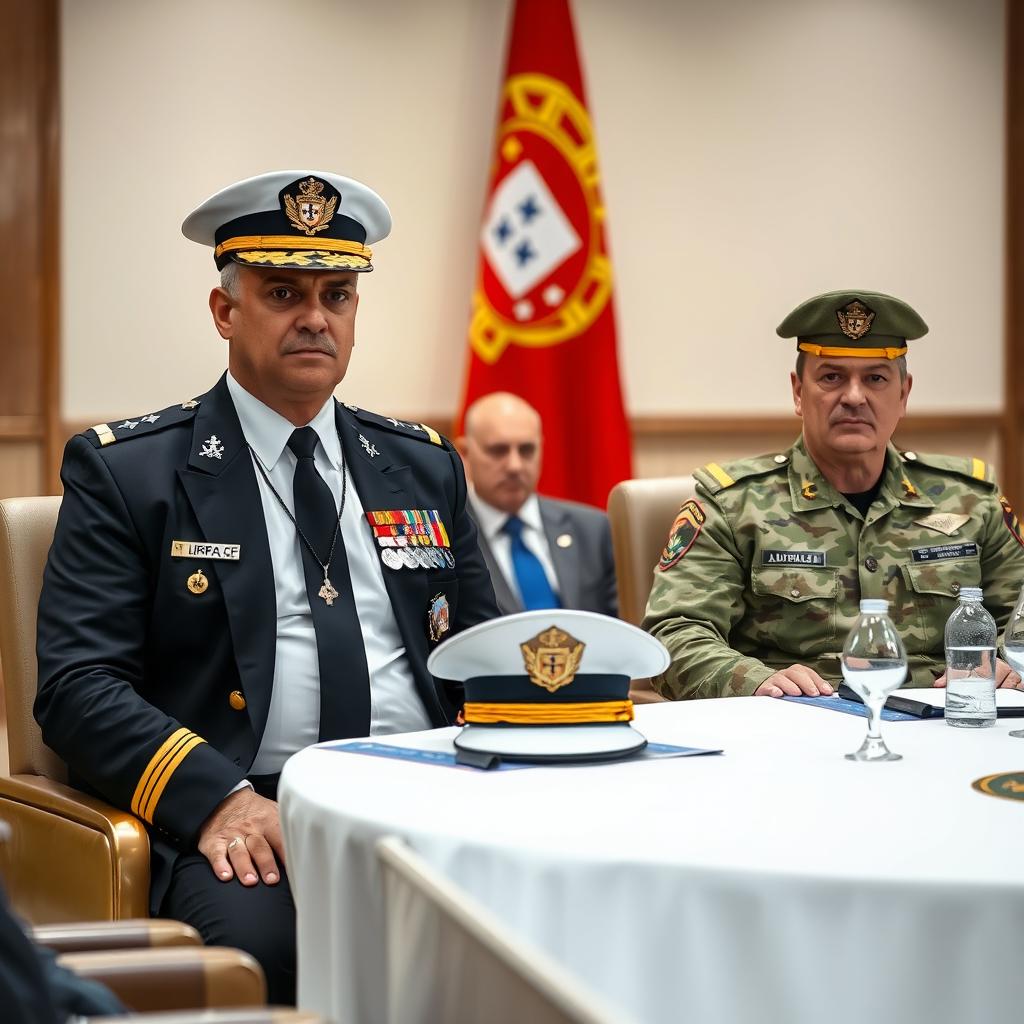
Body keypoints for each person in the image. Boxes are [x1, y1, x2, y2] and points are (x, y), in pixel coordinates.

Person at [34, 170, 499, 1003]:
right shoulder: (131, 472)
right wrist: (218, 800)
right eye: (283, 291)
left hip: (430, 789)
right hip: (254, 803)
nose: (315, 316)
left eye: (338, 294)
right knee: (274, 950)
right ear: (225, 311)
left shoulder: (422, 467)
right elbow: (78, 688)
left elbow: (484, 655)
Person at [643, 289, 1024, 700]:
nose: (854, 397)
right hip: (792, 724)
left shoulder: (970, 500)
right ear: (797, 392)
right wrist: (752, 680)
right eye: (831, 377)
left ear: (904, 394)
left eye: (876, 378)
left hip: (947, 721)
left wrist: (998, 664)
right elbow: (675, 635)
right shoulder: (733, 505)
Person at [456, 391, 617, 616]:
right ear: (464, 453)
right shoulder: (449, 537)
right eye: (498, 451)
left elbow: (626, 623)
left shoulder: (593, 530)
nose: (514, 466)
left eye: (526, 450)